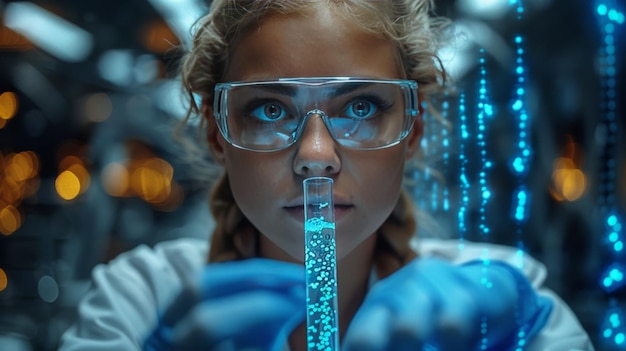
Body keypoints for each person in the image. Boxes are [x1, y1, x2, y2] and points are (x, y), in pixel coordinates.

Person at [59, 0, 594, 350]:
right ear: (217, 134)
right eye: (269, 110)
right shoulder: (136, 301)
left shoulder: (499, 298)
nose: (316, 156)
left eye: (361, 108)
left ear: (412, 131)